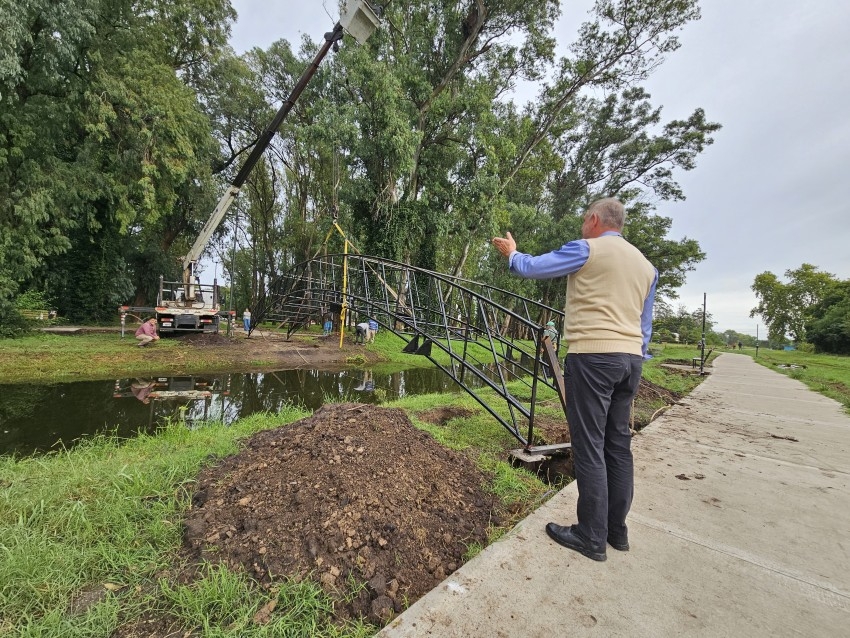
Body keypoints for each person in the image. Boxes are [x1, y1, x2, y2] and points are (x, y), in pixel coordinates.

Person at [492, 197, 658, 562]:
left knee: (589, 446)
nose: (583, 226)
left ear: (595, 219)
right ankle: (616, 531)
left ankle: (590, 536)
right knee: (618, 445)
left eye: (585, 219)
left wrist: (513, 254)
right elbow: (645, 325)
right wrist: (634, 353)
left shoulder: (588, 249)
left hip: (594, 357)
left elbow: (534, 268)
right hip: (630, 361)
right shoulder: (646, 266)